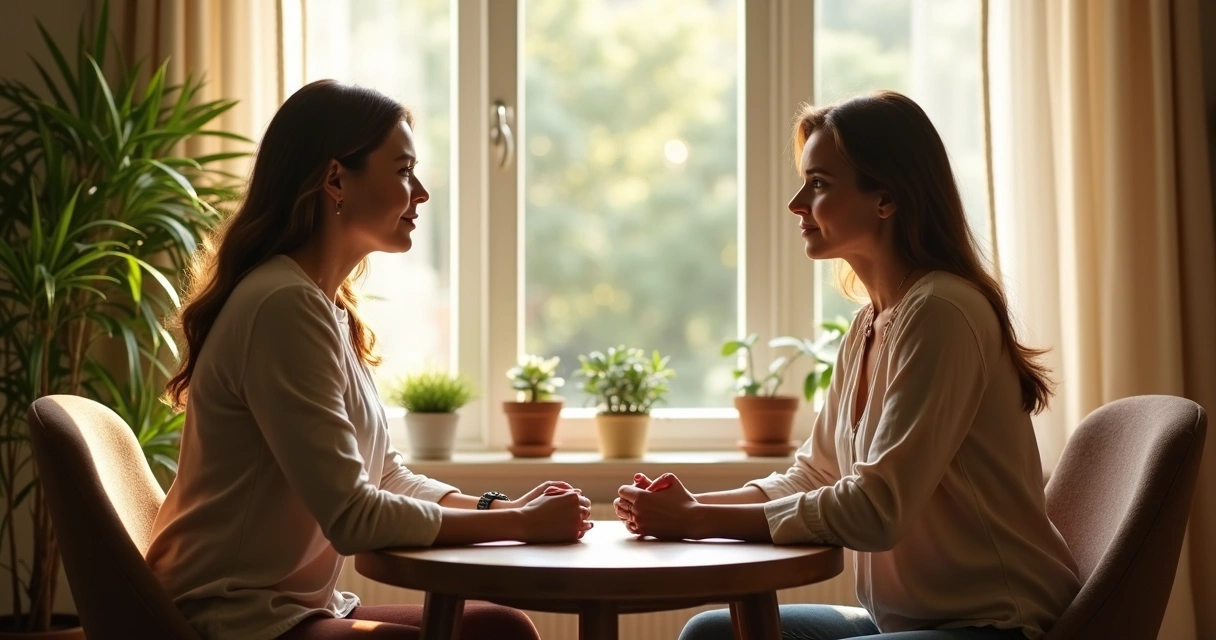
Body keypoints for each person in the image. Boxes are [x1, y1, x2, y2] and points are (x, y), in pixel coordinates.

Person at [615, 91, 1081, 640]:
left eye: (818, 184)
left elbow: (876, 509)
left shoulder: (942, 312)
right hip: (904, 623)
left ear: (885, 198)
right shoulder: (869, 325)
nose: (795, 203)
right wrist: (690, 504)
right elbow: (816, 474)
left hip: (996, 624)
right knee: (709, 635)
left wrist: (695, 521)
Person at [150, 79, 591, 640]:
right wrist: (520, 526)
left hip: (289, 608)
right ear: (336, 179)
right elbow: (353, 517)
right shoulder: (282, 305)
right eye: (404, 170)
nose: (422, 192)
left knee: (499, 629)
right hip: (234, 617)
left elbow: (382, 475)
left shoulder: (320, 304)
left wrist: (495, 510)